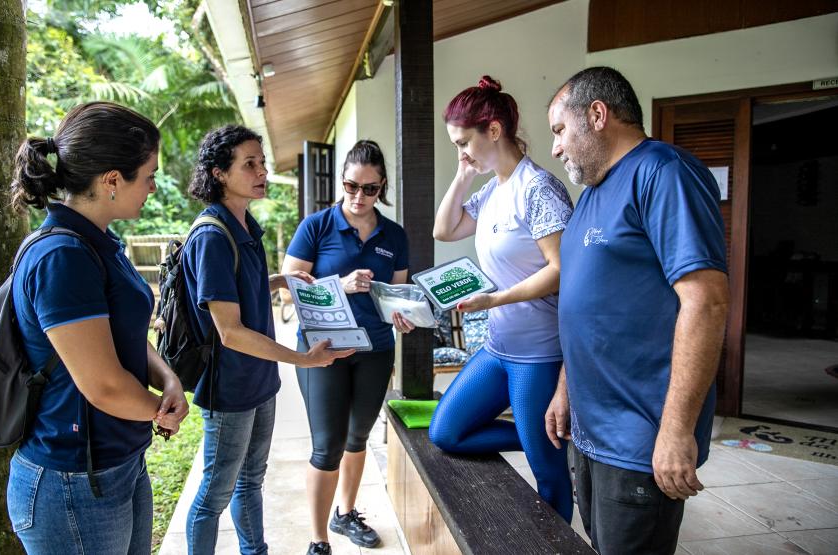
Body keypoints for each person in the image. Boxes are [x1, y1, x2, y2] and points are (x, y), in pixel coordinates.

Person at [545, 66, 729, 554]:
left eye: (560, 130)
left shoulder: (664, 172)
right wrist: (566, 387)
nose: (556, 147)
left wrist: (675, 431)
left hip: (639, 436)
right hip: (591, 428)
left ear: (598, 115)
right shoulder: (593, 195)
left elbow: (706, 301)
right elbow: (588, 305)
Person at [6, 101, 190, 554]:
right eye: (148, 175)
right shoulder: (62, 258)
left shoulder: (100, 243)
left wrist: (167, 379)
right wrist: (158, 411)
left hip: (117, 462)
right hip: (71, 480)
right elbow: (104, 386)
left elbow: (123, 338)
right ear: (112, 180)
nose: (152, 186)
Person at [183, 125, 354, 555]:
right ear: (220, 173)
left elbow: (239, 287)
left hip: (259, 383)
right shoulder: (211, 235)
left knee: (250, 480)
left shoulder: (244, 222)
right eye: (250, 164)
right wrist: (304, 359)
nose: (262, 172)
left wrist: (279, 279)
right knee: (213, 496)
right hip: (230, 388)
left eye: (262, 162)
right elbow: (231, 331)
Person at [428, 76, 575, 522]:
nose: (462, 151)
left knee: (547, 474)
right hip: (498, 349)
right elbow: (445, 229)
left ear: (494, 129)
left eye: (464, 142)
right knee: (446, 432)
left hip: (538, 354)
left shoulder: (537, 188)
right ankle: (540, 436)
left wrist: (496, 300)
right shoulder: (493, 188)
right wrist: (462, 173)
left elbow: (561, 270)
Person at [282, 140, 414, 555]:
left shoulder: (394, 235)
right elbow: (289, 291)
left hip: (375, 348)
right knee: (328, 444)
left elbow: (396, 293)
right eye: (351, 186)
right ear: (341, 181)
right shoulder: (316, 227)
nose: (359, 197)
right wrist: (338, 285)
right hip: (322, 351)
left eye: (370, 189)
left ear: (383, 188)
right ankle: (318, 539)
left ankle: (346, 514)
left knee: (357, 437)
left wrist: (403, 314)